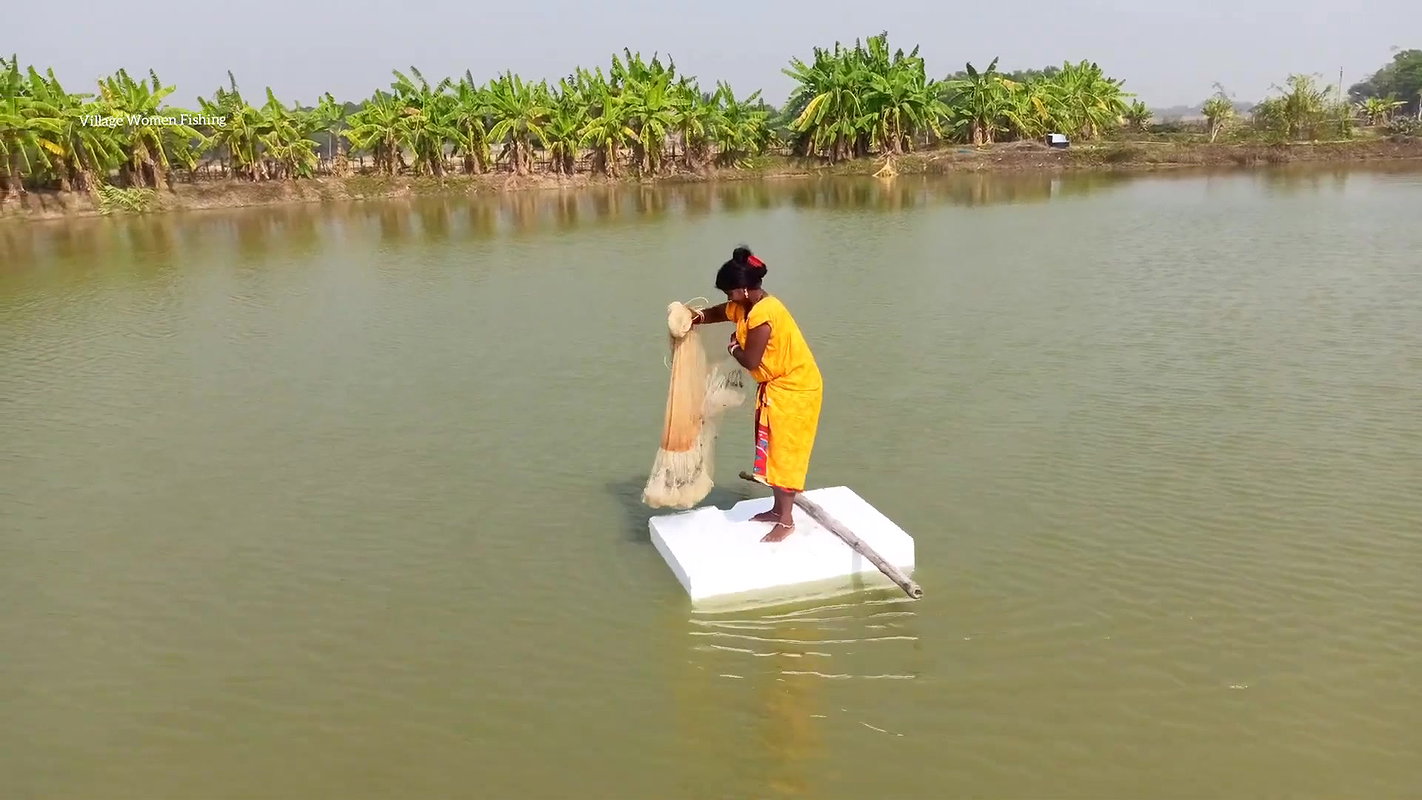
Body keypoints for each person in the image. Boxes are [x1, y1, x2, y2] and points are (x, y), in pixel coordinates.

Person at [692, 246, 823, 543]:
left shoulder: (765, 314)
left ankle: (787, 521)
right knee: (771, 448)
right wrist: (692, 317)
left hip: (796, 389)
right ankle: (777, 510)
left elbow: (750, 360)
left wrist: (733, 348)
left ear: (745, 289)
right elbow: (716, 313)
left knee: (785, 452)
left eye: (730, 292)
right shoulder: (745, 306)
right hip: (776, 387)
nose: (728, 297)